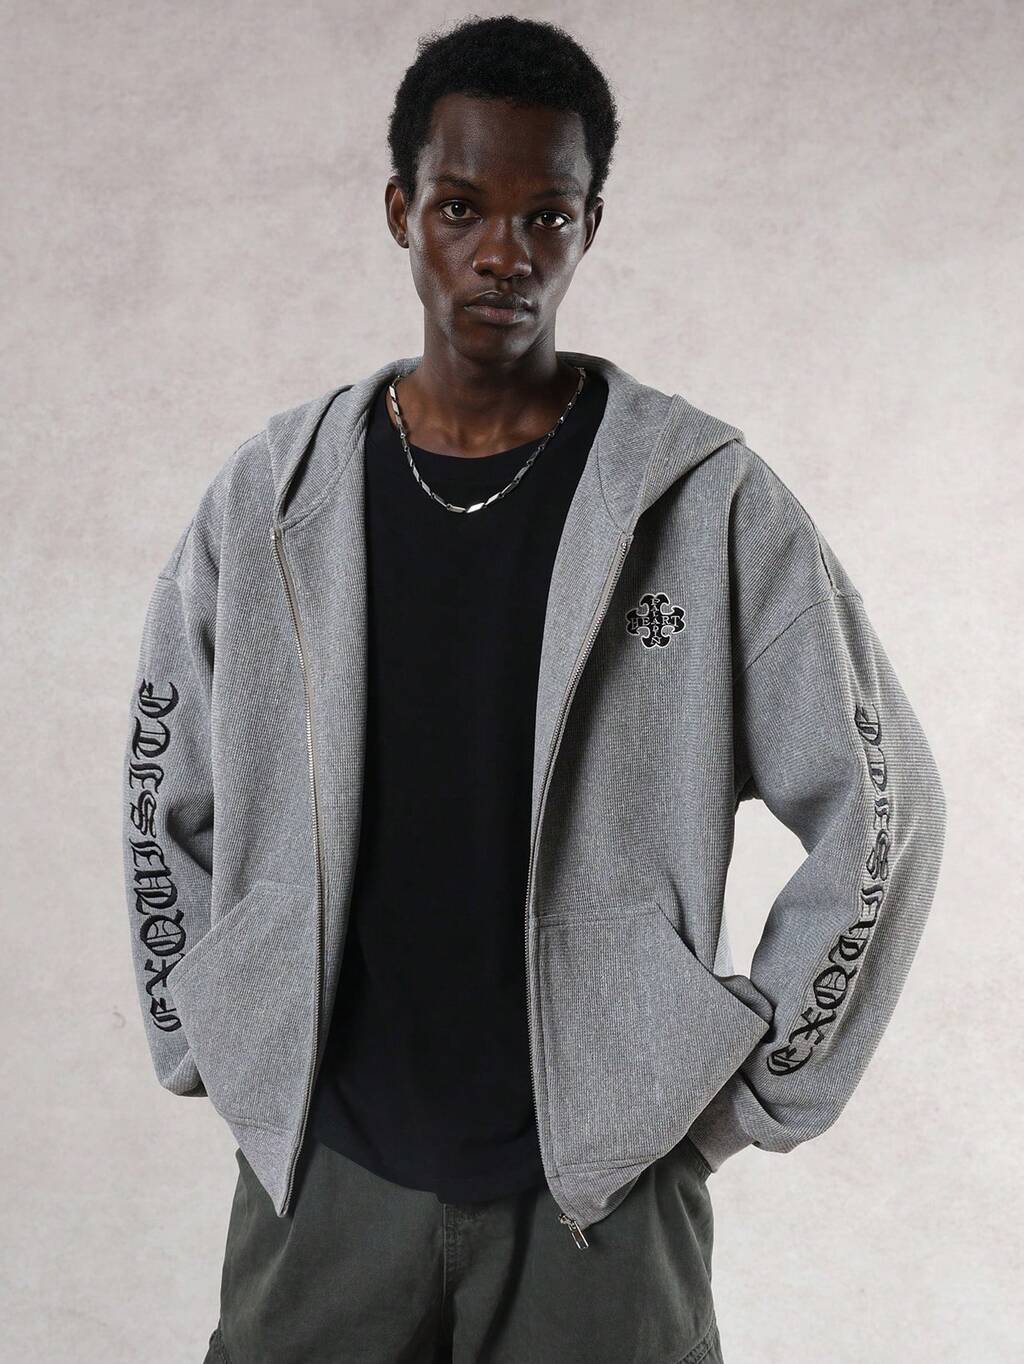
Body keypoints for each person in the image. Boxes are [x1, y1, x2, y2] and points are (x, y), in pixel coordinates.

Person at [120, 15, 946, 1364]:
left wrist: (742, 1090)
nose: (505, 252)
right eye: (462, 207)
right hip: (325, 1179)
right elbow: (166, 780)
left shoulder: (706, 503)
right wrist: (209, 1033)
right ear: (402, 211)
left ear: (589, 226)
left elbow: (886, 805)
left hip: (604, 1205)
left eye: (545, 215)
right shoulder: (271, 498)